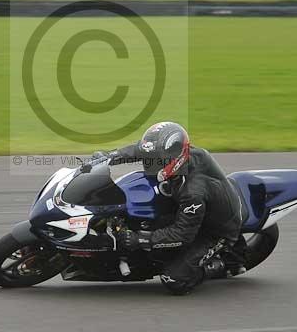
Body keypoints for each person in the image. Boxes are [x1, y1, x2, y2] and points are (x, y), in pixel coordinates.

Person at [96, 121, 247, 295]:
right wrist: (109, 157)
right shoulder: (179, 155)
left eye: (156, 161)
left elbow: (182, 234)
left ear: (174, 161)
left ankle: (220, 266)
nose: (150, 164)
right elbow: (139, 150)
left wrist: (141, 239)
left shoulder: (192, 191)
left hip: (214, 230)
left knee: (173, 279)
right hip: (193, 208)